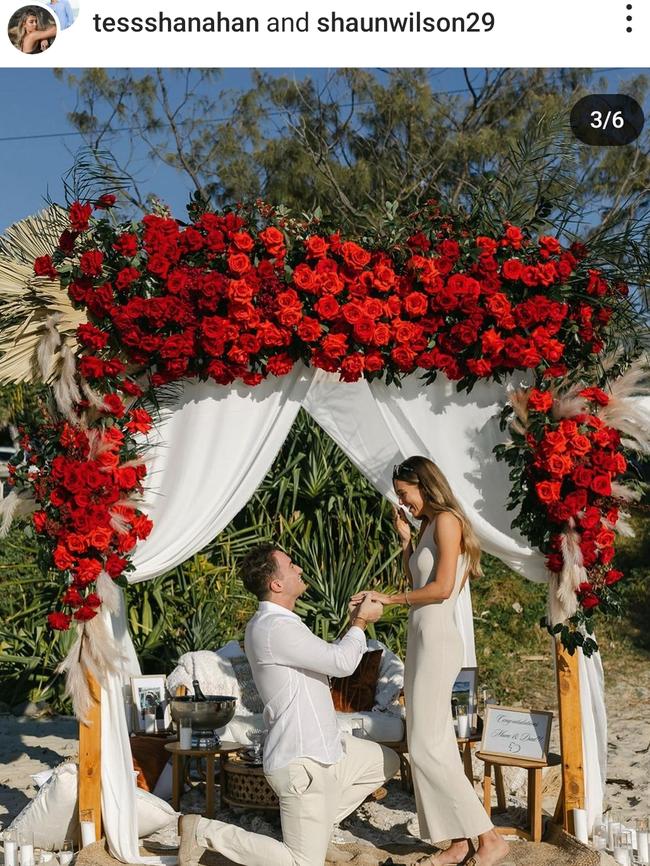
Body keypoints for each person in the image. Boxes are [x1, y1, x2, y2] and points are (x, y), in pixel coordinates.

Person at [179, 543, 399, 866]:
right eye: (291, 565)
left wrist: (353, 620)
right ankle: (202, 831)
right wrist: (361, 624)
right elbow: (341, 663)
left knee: (385, 760)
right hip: (301, 761)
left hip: (326, 751)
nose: (298, 569)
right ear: (276, 584)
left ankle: (319, 832)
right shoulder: (273, 627)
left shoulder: (281, 624)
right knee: (301, 863)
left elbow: (326, 660)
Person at [352, 457, 509, 866]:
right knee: (429, 741)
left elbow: (439, 589)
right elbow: (418, 579)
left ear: (424, 484)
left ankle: (488, 838)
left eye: (406, 495)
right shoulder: (425, 527)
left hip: (437, 640)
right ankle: (458, 842)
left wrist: (389, 599)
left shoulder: (447, 521)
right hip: (420, 639)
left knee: (425, 746)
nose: (405, 503)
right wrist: (405, 539)